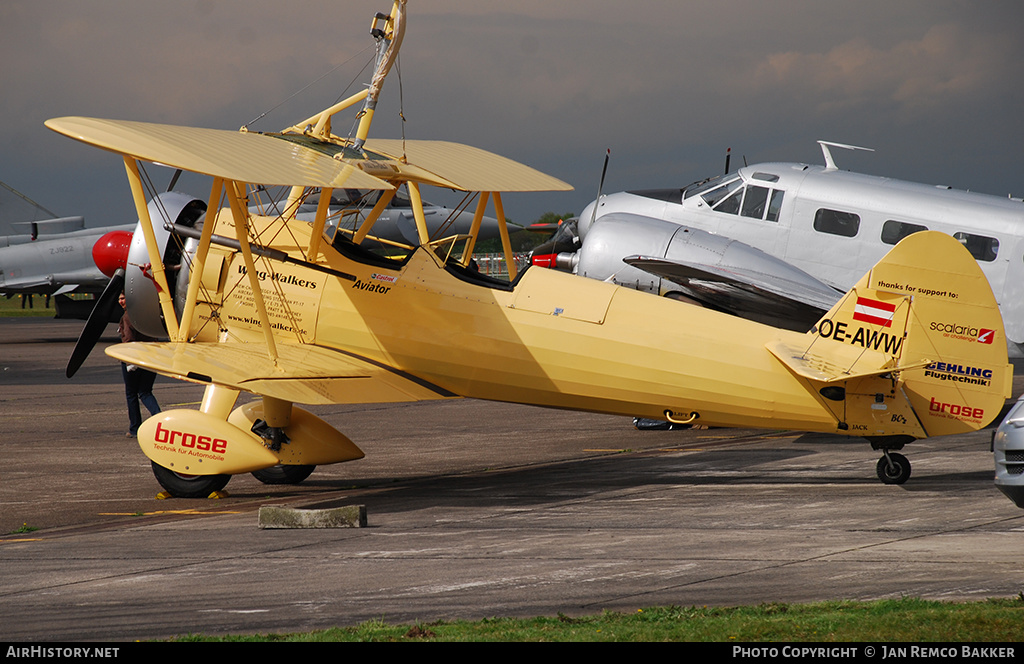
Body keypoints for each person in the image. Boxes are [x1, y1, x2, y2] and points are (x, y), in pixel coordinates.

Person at [118, 292, 160, 437]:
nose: (121, 301)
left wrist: (130, 360)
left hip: (133, 359)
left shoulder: (128, 316)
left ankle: (135, 427)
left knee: (131, 393)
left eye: (123, 298)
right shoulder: (147, 315)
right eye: (120, 299)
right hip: (150, 357)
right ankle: (158, 417)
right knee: (146, 392)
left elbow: (128, 339)